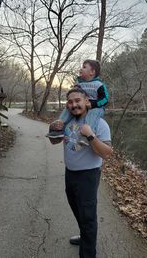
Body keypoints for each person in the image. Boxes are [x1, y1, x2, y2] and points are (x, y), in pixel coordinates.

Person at [50, 87, 113, 258]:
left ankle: (88, 253)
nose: (74, 105)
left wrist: (91, 136)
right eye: (70, 102)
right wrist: (55, 135)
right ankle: (85, 236)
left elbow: (107, 153)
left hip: (88, 175)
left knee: (88, 217)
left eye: (78, 100)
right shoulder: (67, 121)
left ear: (87, 101)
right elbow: (54, 143)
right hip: (70, 173)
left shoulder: (99, 123)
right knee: (77, 209)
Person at [46, 59, 109, 145]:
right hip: (80, 106)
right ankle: (59, 128)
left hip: (95, 107)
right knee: (69, 108)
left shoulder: (99, 84)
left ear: (92, 72)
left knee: (92, 115)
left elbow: (105, 99)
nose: (81, 69)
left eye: (84, 67)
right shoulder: (79, 84)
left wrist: (93, 104)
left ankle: (85, 136)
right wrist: (70, 102)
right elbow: (73, 95)